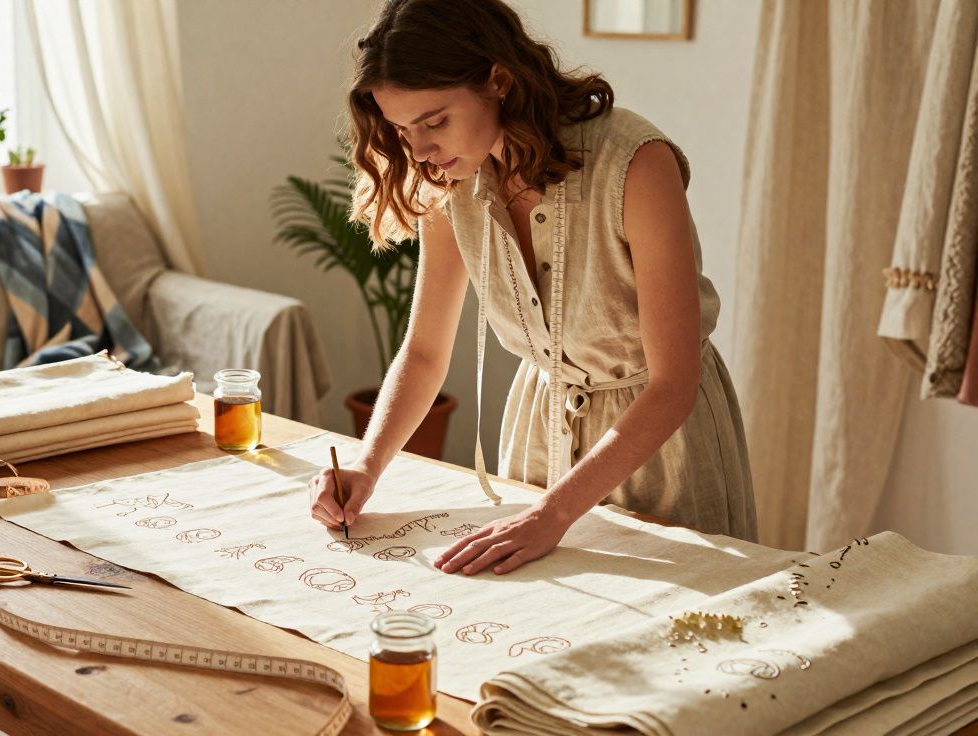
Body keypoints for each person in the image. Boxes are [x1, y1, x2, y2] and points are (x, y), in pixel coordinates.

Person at [307, 0, 757, 576]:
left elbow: (674, 384)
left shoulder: (637, 165)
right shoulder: (450, 178)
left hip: (662, 447)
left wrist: (553, 512)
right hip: (538, 438)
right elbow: (423, 354)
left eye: (434, 120)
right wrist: (366, 467)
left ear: (498, 79)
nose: (418, 150)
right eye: (401, 129)